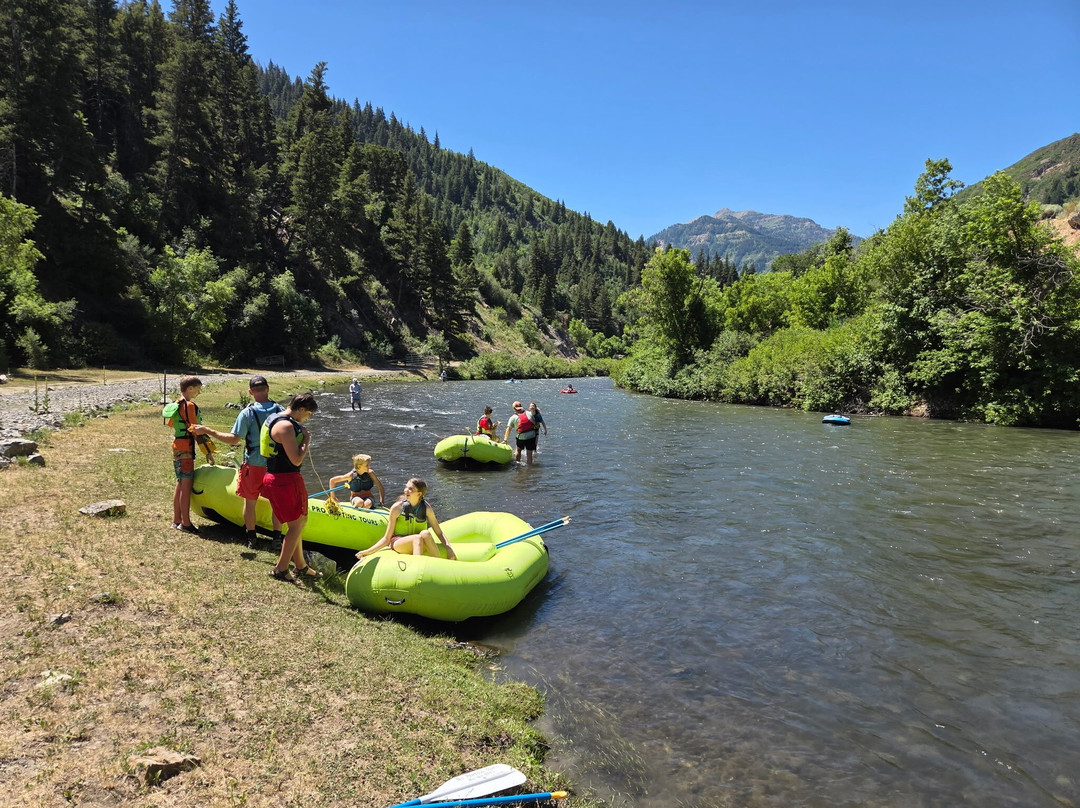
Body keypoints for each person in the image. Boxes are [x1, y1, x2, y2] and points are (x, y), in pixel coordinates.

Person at [199, 375, 284, 548]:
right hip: (276, 466)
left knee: (250, 502)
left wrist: (209, 431)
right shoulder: (280, 410)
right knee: (277, 503)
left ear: (250, 392)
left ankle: (252, 538)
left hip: (253, 465)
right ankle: (277, 538)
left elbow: (234, 440)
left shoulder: (247, 413)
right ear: (268, 389)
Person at [262, 392, 321, 581]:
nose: (307, 418)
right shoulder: (286, 426)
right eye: (308, 414)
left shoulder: (277, 417)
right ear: (301, 409)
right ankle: (280, 569)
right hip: (283, 479)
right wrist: (306, 441)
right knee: (296, 525)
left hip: (280, 478)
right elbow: (295, 460)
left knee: (299, 522)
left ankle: (301, 566)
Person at [356, 478, 455, 560]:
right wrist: (366, 552)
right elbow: (386, 538)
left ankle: (439, 565)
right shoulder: (397, 508)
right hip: (399, 542)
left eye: (411, 489)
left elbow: (439, 532)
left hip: (420, 541)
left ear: (419, 494)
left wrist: (449, 549)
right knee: (417, 537)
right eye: (406, 487)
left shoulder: (426, 508)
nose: (406, 490)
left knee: (426, 533)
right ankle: (417, 568)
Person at [170, 376, 210, 533]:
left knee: (180, 483)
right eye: (198, 389)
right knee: (186, 487)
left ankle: (176, 520)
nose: (199, 392)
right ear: (190, 388)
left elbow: (173, 424)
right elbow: (196, 430)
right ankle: (185, 523)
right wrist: (208, 452)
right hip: (186, 450)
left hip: (177, 447)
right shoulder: (190, 406)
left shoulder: (176, 403)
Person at [503, 400, 538, 465]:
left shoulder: (513, 417)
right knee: (529, 454)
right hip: (531, 436)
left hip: (521, 438)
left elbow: (508, 429)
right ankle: (529, 469)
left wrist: (505, 440)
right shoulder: (529, 413)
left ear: (514, 409)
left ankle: (518, 465)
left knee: (518, 451)